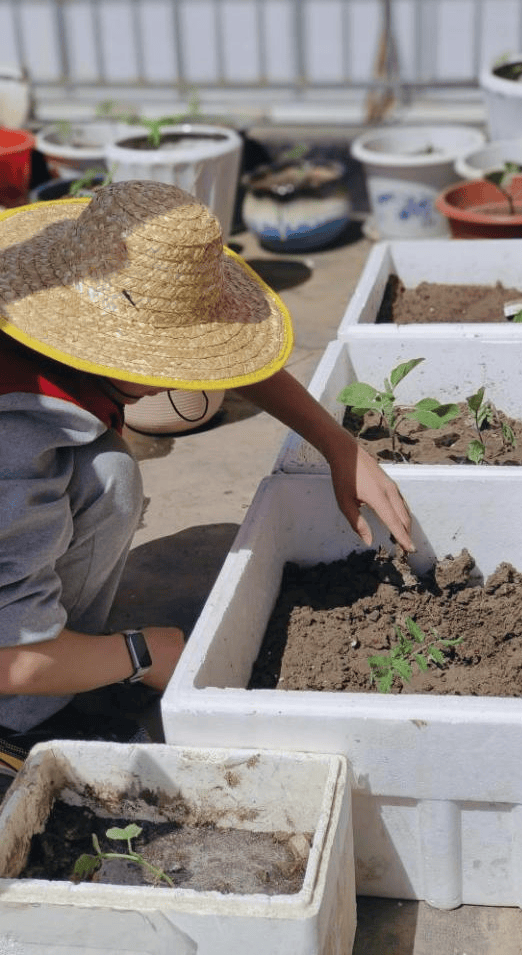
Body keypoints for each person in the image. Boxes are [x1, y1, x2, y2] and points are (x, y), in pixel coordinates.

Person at [0, 180, 413, 783]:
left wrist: (338, 445)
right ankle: (23, 720)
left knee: (108, 469)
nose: (179, 379)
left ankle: (69, 662)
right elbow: (9, 659)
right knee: (107, 479)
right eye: (170, 361)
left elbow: (245, 365)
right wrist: (144, 653)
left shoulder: (31, 315)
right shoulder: (16, 438)